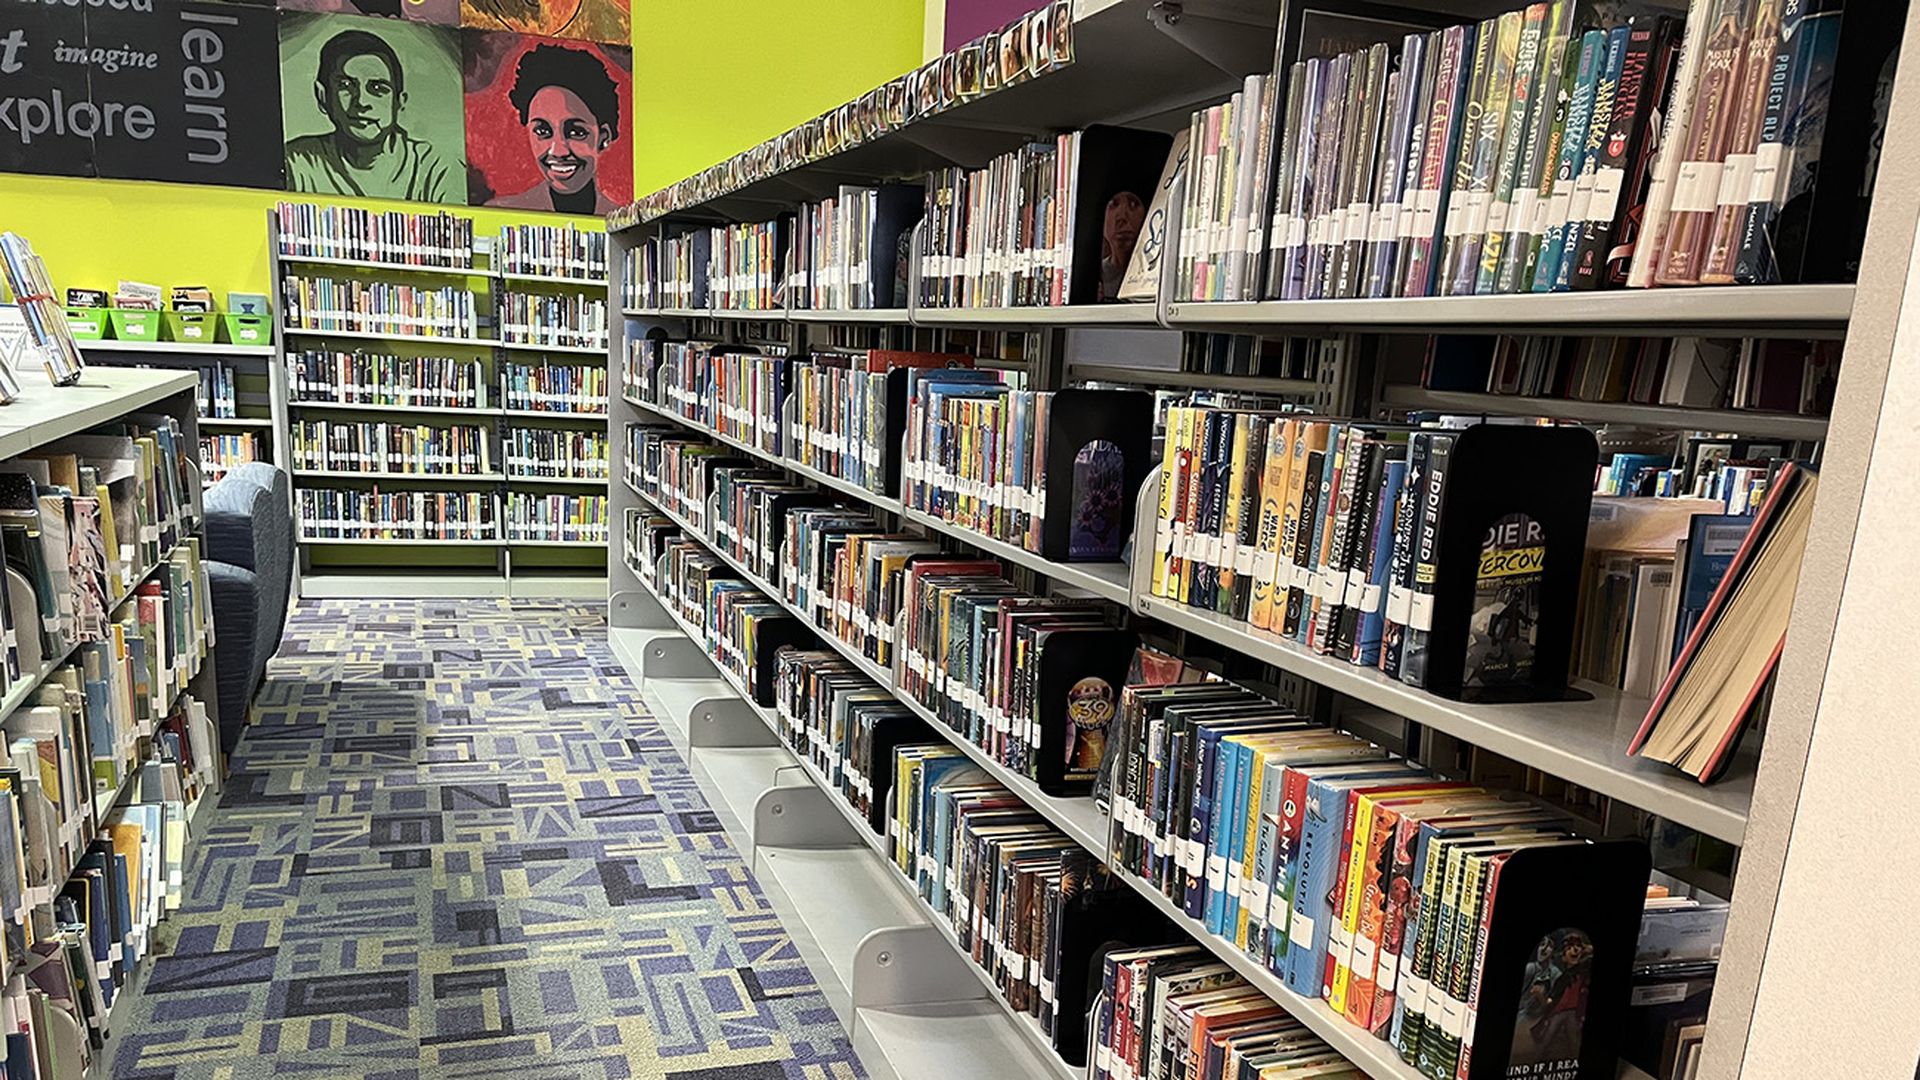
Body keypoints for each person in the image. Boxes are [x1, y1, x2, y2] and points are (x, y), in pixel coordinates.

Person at [284, 29, 461, 203]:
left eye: (377, 88)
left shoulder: (437, 168)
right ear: (323, 96)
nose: (361, 102)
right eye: (346, 85)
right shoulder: (297, 163)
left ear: (399, 102)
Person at [489, 43, 620, 214]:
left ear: (604, 137)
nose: (558, 151)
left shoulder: (626, 223)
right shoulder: (502, 213)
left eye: (576, 133)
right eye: (543, 132)